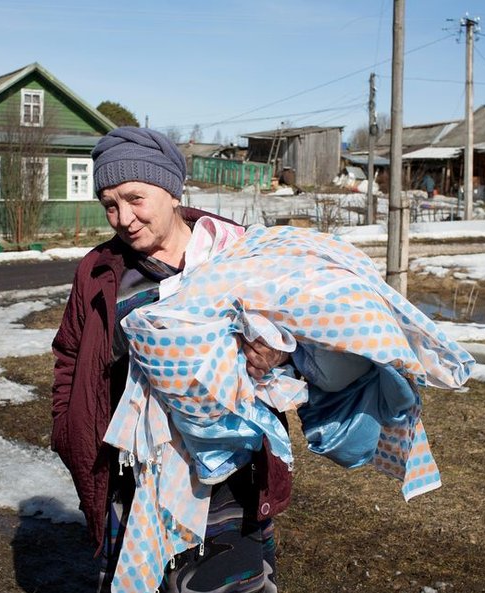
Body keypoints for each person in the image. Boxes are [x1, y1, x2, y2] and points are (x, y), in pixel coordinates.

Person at [51, 127, 292, 593]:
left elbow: (306, 343)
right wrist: (67, 428)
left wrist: (278, 357)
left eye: (134, 198)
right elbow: (70, 354)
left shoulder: (234, 255)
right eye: (109, 204)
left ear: (171, 190)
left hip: (226, 482)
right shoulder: (101, 271)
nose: (123, 218)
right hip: (130, 476)